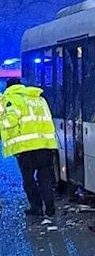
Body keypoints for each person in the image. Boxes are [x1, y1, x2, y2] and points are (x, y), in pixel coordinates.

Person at [1, 79, 59, 218]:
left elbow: (10, 121)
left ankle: (36, 207)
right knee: (45, 178)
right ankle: (50, 208)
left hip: (26, 148)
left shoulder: (12, 99)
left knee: (29, 180)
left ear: (9, 88)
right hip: (45, 145)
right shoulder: (39, 99)